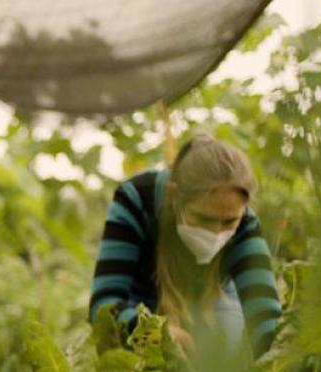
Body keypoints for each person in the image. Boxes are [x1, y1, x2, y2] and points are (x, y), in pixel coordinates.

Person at [89, 133, 282, 358]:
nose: (217, 232)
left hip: (214, 298)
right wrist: (155, 333)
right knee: (144, 361)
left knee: (220, 364)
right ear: (174, 195)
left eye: (229, 222)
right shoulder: (136, 199)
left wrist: (274, 369)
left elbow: (266, 318)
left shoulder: (245, 224)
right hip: (143, 298)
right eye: (204, 219)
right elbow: (103, 306)